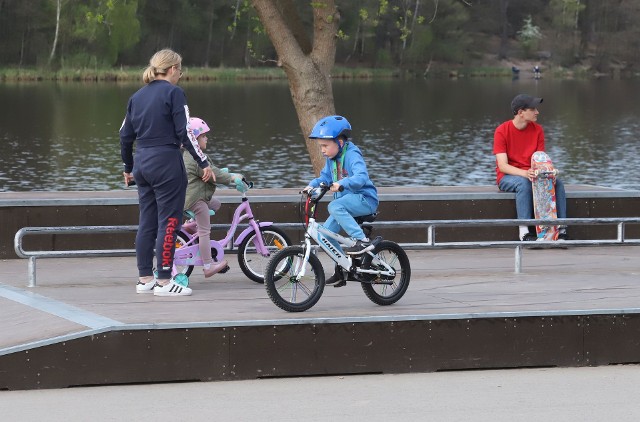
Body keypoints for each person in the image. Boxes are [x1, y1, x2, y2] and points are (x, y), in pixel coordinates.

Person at [120, 48, 213, 297]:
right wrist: (203, 162)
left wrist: (128, 168)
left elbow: (124, 136)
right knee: (169, 222)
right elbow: (186, 133)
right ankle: (163, 281)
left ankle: (144, 279)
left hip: (142, 163)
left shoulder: (136, 96)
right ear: (172, 69)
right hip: (166, 162)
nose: (180, 76)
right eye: (180, 71)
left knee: (147, 221)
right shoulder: (174, 93)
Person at [304, 115, 379, 285]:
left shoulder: (352, 154)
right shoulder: (331, 160)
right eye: (320, 146)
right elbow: (324, 178)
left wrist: (342, 184)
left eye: (325, 146)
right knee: (324, 235)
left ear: (339, 142)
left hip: (365, 199)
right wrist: (311, 186)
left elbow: (361, 176)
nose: (322, 150)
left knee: (334, 205)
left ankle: (362, 241)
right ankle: (344, 267)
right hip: (346, 204)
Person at [493, 94, 568, 241]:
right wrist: (525, 173)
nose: (537, 112)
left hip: (532, 173)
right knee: (524, 184)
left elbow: (540, 159)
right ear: (521, 112)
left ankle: (562, 228)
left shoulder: (538, 130)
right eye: (533, 109)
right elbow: (502, 166)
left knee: (557, 183)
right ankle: (524, 231)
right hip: (509, 177)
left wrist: (546, 171)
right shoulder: (502, 131)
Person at [183, 117, 244, 278]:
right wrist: (231, 178)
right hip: (195, 199)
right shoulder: (195, 158)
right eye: (203, 136)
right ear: (194, 139)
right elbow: (213, 174)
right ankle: (208, 265)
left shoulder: (193, 155)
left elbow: (213, 169)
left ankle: (190, 225)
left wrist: (225, 173)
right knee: (204, 231)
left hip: (195, 196)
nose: (206, 138)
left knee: (216, 204)